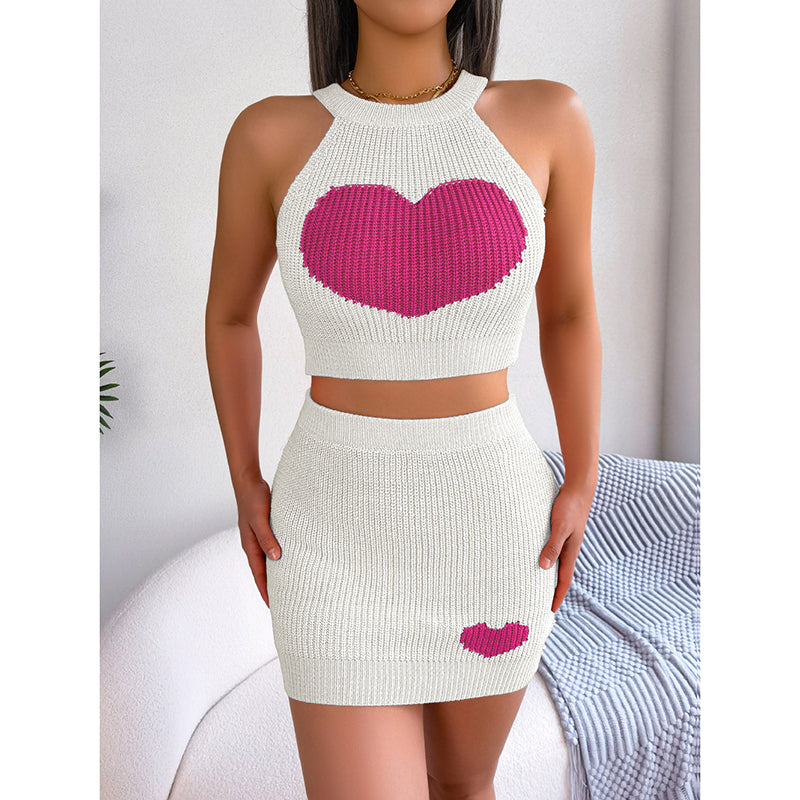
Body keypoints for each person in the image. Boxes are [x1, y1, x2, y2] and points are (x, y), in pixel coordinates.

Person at [205, 1, 600, 797]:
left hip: (496, 532)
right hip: (330, 540)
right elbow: (229, 316)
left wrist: (584, 479)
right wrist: (244, 478)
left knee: (463, 785)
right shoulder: (268, 136)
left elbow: (568, 312)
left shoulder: (549, 117)